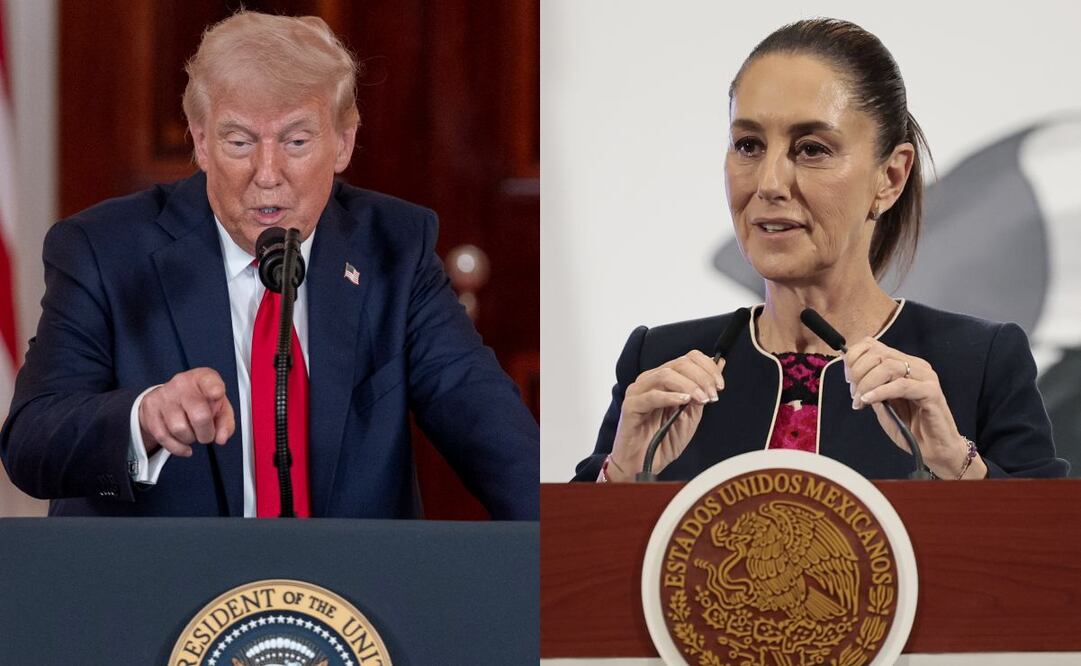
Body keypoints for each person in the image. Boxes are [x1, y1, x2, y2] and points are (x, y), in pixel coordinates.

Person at [0, 11, 538, 518]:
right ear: (201, 141)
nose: (267, 173)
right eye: (239, 142)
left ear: (344, 143)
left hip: (345, 603)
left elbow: (492, 435)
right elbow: (30, 442)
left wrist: (581, 545)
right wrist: (143, 417)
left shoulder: (393, 249)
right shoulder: (104, 251)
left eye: (296, 141)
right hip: (165, 599)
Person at [575, 18, 1067, 483]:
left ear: (890, 177)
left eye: (811, 149)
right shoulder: (659, 363)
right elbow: (565, 562)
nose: (769, 183)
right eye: (748, 145)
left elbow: (1052, 558)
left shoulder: (978, 361)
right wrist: (622, 473)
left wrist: (954, 461)